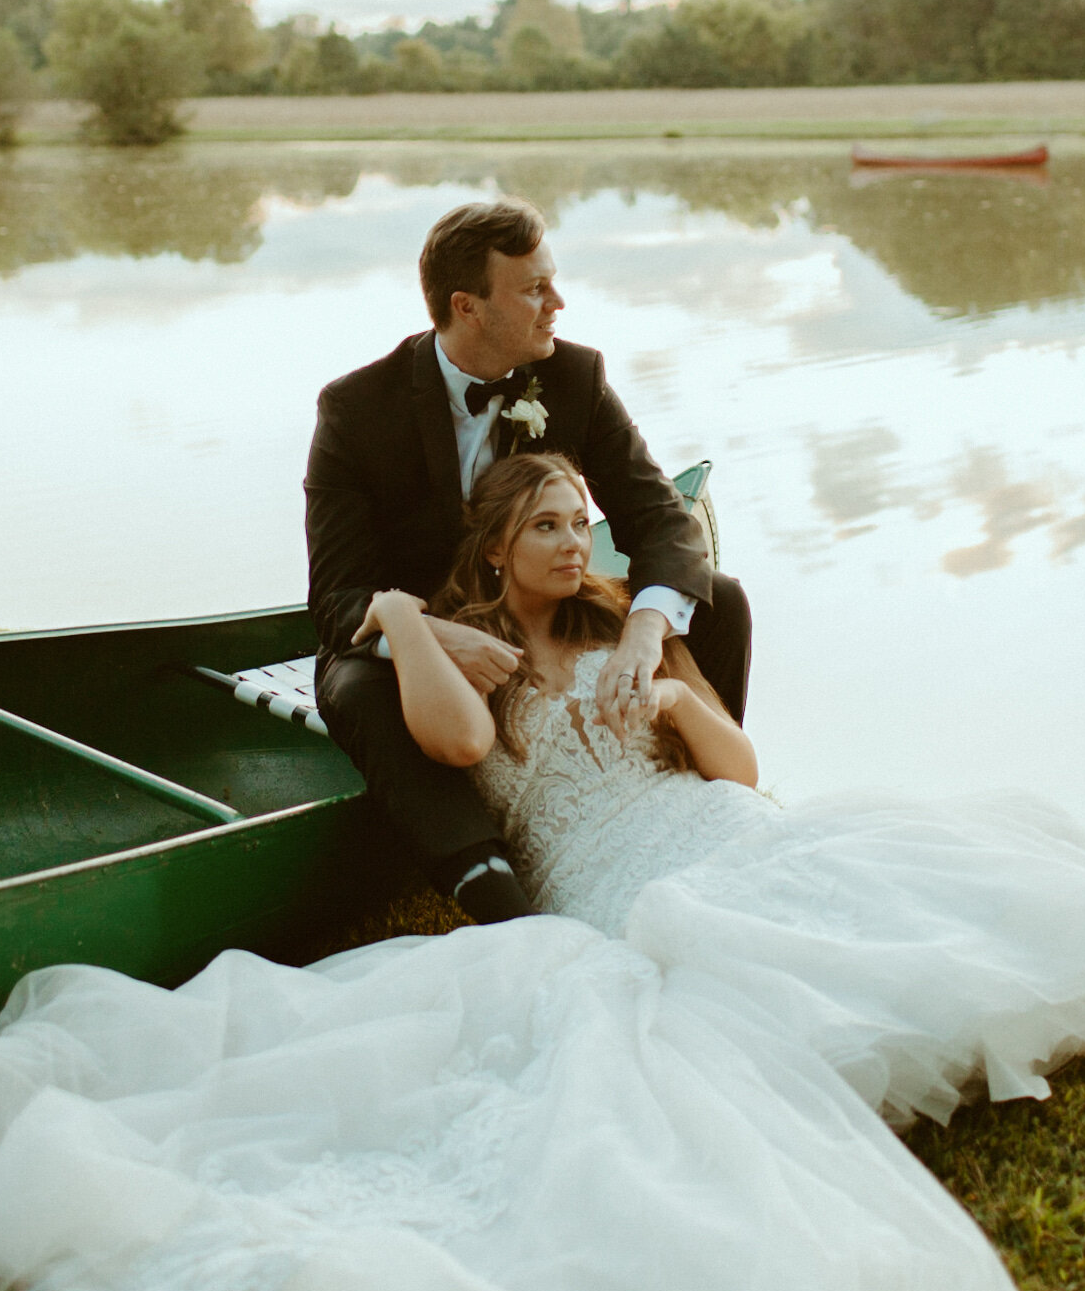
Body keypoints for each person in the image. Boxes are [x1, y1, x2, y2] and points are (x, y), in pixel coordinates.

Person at [0, 450, 1085, 1291]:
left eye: (586, 520)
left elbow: (740, 770)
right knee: (720, 964)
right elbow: (451, 749)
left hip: (722, 824)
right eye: (552, 525)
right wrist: (399, 614)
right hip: (619, 878)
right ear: (499, 547)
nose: (579, 541)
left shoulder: (633, 625)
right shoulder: (478, 658)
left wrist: (680, 696)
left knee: (882, 873)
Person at [304, 197, 751, 923]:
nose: (558, 303)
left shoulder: (574, 376)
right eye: (534, 288)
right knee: (354, 684)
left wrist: (643, 634)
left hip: (535, 600)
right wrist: (434, 635)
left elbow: (661, 519)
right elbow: (334, 596)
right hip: (423, 629)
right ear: (467, 306)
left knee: (719, 601)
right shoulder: (357, 409)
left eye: (554, 281)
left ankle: (681, 781)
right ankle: (487, 879)